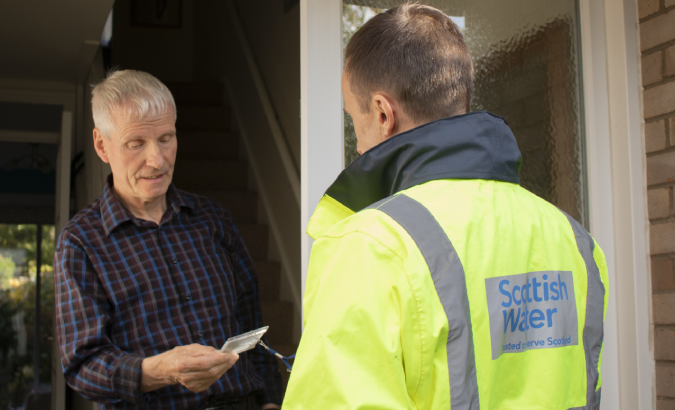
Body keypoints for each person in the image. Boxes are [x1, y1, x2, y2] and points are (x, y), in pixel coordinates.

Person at [282, 4, 608, 410]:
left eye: (354, 121)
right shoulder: (575, 241)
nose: (359, 144)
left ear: (383, 114)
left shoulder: (372, 244)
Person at [54, 70, 282, 410]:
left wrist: (270, 402)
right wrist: (156, 371)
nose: (157, 160)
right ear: (102, 145)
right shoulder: (80, 242)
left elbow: (252, 325)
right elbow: (82, 366)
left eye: (166, 138)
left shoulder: (214, 219)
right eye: (136, 144)